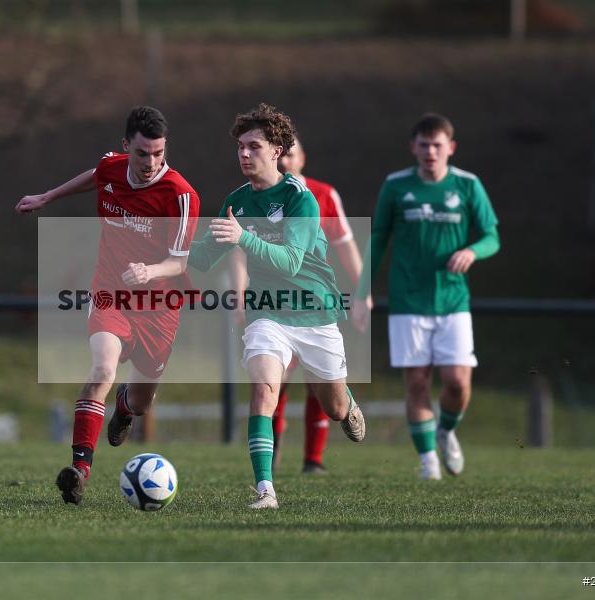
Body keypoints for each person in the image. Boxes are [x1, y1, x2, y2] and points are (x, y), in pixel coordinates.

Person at [16, 106, 200, 504]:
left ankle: (125, 408)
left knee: (141, 399)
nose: (151, 162)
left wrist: (148, 272)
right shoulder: (112, 168)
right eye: (142, 153)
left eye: (158, 153)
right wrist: (48, 196)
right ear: (125, 147)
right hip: (110, 292)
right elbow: (96, 177)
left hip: (159, 305)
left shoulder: (181, 195)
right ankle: (79, 472)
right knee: (101, 368)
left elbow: (179, 262)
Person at [189, 103, 365, 510]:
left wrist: (242, 238)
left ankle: (348, 401)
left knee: (334, 408)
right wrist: (165, 246)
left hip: (315, 311)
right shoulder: (237, 201)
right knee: (264, 389)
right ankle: (265, 490)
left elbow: (290, 260)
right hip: (267, 310)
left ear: (277, 151)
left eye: (254, 146)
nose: (244, 154)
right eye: (240, 147)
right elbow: (202, 257)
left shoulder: (301, 199)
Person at [352, 113, 500, 480]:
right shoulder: (396, 186)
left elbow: (492, 237)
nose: (431, 151)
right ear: (413, 147)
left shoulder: (467, 185)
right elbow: (378, 239)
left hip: (452, 301)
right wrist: (361, 292)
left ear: (450, 147)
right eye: (424, 145)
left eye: (437, 145)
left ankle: (446, 431)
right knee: (417, 381)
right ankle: (427, 461)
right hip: (408, 302)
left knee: (456, 383)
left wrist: (472, 252)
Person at [228, 136, 371, 475]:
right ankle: (268, 468)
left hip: (312, 304)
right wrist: (237, 291)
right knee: (269, 381)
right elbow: (234, 247)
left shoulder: (318, 196)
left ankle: (314, 458)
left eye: (292, 154)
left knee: (326, 395)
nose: (288, 161)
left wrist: (362, 293)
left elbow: (345, 245)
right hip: (270, 305)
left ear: (301, 158)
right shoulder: (250, 198)